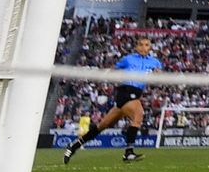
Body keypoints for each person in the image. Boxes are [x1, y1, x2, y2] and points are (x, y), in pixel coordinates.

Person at [64, 35, 163, 164]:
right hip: (126, 91)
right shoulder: (128, 59)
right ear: (136, 47)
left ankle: (73, 146)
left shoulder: (155, 62)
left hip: (136, 94)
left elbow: (158, 80)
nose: (144, 47)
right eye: (141, 44)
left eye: (147, 45)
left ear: (150, 47)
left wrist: (157, 76)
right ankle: (129, 152)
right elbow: (114, 70)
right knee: (138, 115)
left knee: (102, 125)